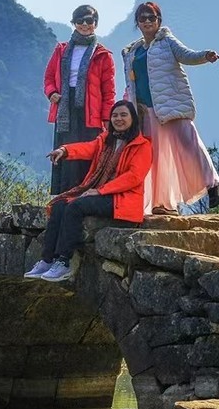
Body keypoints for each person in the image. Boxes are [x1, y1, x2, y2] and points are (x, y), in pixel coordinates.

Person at [25, 100, 150, 282]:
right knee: (60, 205)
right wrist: (64, 150)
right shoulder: (105, 140)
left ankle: (63, 262)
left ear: (133, 119)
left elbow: (134, 177)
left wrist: (100, 191)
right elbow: (87, 148)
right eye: (115, 115)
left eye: (124, 115)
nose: (118, 119)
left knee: (75, 206)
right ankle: (47, 260)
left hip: (122, 199)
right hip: (101, 192)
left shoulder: (142, 145)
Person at [120, 1, 219, 214]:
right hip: (144, 110)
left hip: (172, 105)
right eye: (143, 18)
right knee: (156, 157)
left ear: (159, 20)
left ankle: (213, 184)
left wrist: (206, 56)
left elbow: (187, 55)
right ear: (137, 23)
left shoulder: (167, 41)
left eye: (152, 17)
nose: (148, 21)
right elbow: (131, 83)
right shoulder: (132, 51)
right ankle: (162, 203)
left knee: (190, 142)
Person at [43, 5, 116, 194]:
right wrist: (52, 93)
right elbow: (49, 78)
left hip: (90, 110)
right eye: (80, 21)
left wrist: (107, 119)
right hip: (65, 108)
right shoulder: (61, 50)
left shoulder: (103, 55)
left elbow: (109, 91)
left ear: (96, 24)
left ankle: (85, 194)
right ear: (73, 23)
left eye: (89, 21)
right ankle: (64, 195)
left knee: (87, 152)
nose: (85, 25)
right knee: (65, 151)